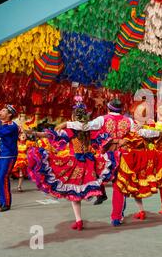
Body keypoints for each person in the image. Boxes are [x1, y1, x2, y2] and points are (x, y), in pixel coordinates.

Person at [27, 97, 117, 230]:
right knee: (82, 189)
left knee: (74, 193)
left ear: (74, 116)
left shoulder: (70, 129)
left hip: (75, 162)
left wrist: (34, 133)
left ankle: (79, 220)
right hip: (89, 162)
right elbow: (104, 140)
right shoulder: (90, 129)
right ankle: (81, 217)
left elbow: (50, 135)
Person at [64, 98, 135, 226]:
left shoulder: (102, 119)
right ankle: (116, 218)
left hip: (106, 157)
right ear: (121, 110)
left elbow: (85, 126)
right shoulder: (129, 121)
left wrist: (68, 124)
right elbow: (138, 134)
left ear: (108, 108)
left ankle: (98, 194)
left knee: (94, 174)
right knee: (119, 186)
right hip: (124, 156)